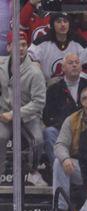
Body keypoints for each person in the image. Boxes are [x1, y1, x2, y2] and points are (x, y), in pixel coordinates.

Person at [0, 31, 46, 185]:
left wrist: (14, 114)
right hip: (3, 113)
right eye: (16, 45)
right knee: (0, 136)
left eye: (24, 45)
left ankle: (33, 170)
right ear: (8, 47)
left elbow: (39, 102)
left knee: (38, 139)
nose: (20, 48)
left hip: (27, 115)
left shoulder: (35, 71)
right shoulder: (0, 65)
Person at [52, 85, 87, 211]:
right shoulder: (72, 120)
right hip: (81, 166)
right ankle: (61, 208)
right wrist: (65, 158)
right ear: (82, 102)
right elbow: (60, 144)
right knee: (59, 162)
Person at [27, 11, 87, 83]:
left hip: (75, 85)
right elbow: (27, 62)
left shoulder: (79, 42)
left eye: (65, 21)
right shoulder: (41, 43)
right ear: (52, 25)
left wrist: (72, 79)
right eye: (59, 22)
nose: (63, 24)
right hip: (46, 87)